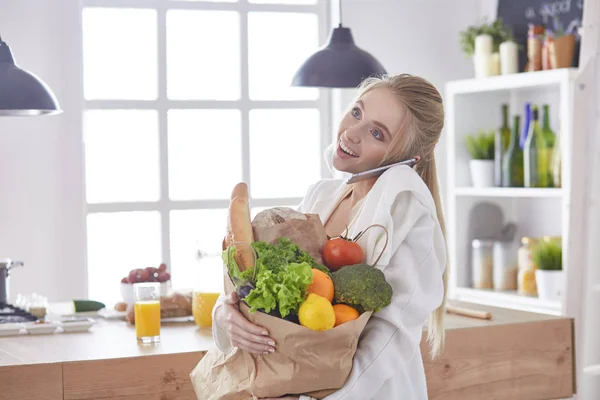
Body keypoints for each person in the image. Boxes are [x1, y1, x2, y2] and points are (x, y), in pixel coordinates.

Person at [212, 73, 448, 399]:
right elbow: (265, 286)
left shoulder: (407, 210)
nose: (351, 133)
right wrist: (225, 313)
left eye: (376, 133)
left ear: (408, 161)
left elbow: (389, 337)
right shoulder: (319, 197)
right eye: (356, 113)